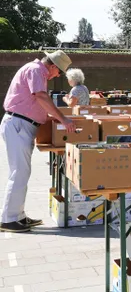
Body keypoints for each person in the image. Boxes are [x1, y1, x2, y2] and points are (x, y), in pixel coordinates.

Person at [1, 51, 76, 233]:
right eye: (58, 72)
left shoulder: (35, 70)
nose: (57, 76)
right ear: (52, 66)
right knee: (19, 172)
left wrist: (53, 116)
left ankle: (17, 216)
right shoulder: (36, 70)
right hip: (19, 124)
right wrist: (63, 118)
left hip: (21, 124)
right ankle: (8, 219)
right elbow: (41, 96)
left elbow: (37, 100)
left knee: (22, 171)